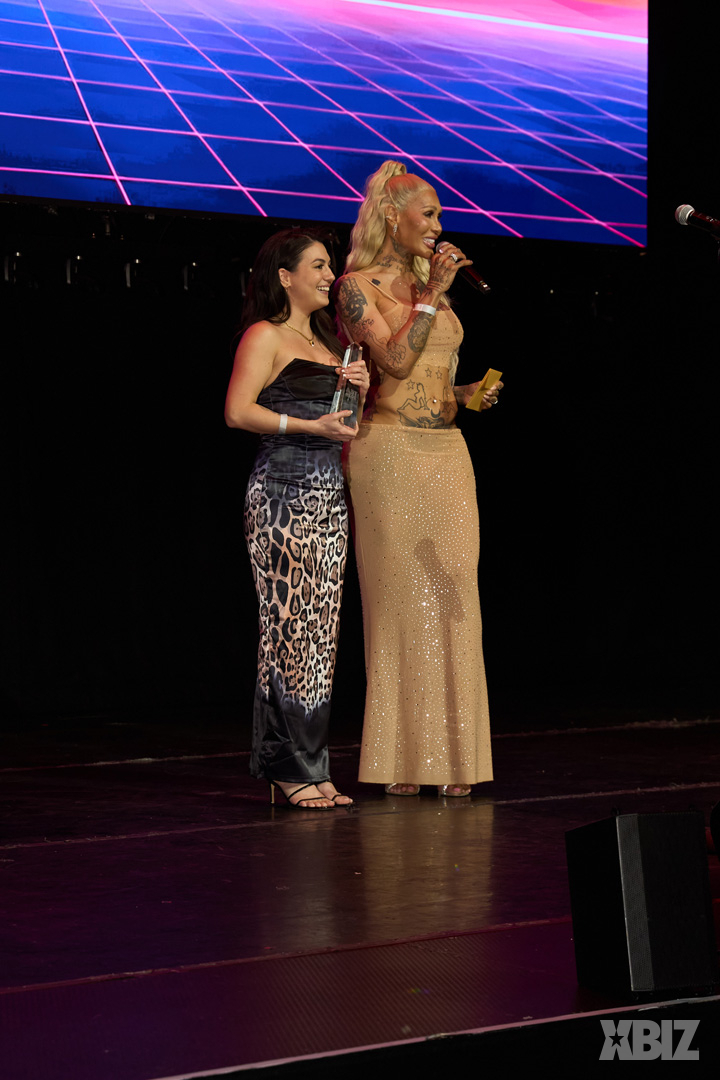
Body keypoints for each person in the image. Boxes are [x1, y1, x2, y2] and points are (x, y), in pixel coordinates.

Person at [335, 161, 502, 798]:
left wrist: (467, 393)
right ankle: (402, 762)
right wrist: (430, 292)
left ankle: (456, 760)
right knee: (401, 605)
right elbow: (397, 362)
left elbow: (433, 384)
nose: (437, 226)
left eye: (438, 215)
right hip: (390, 456)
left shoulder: (437, 289)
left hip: (448, 453)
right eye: (427, 214)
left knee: (457, 599)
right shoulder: (357, 287)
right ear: (391, 217)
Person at [225, 229, 369, 809]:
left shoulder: (332, 344)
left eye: (329, 265)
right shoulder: (265, 335)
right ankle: (288, 767)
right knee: (288, 631)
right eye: (318, 265)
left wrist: (358, 390)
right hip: (282, 494)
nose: (329, 275)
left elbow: (345, 425)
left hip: (329, 496)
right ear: (285, 277)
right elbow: (237, 412)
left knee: (319, 637)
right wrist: (310, 426)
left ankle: (312, 763)